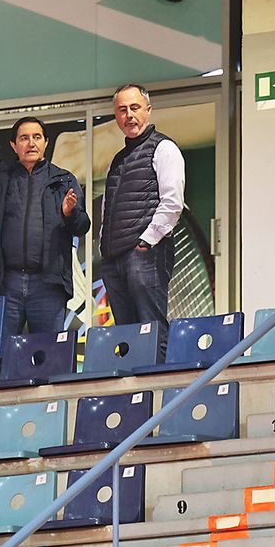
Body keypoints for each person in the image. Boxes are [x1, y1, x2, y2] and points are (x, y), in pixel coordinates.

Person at [0, 117, 89, 336]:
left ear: (46, 142)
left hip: (48, 283)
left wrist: (69, 212)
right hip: (7, 284)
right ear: (14, 145)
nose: (31, 143)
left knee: (49, 352)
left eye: (37, 137)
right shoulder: (0, 181)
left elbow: (82, 226)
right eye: (24, 138)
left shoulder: (63, 180)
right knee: (2, 356)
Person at [97, 83, 186, 357]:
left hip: (145, 254)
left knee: (152, 327)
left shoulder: (164, 148)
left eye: (135, 108)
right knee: (127, 335)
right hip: (114, 258)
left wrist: (146, 242)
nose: (129, 115)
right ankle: (134, 397)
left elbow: (172, 203)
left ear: (148, 110)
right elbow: (108, 208)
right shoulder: (118, 159)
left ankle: (158, 394)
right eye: (122, 110)